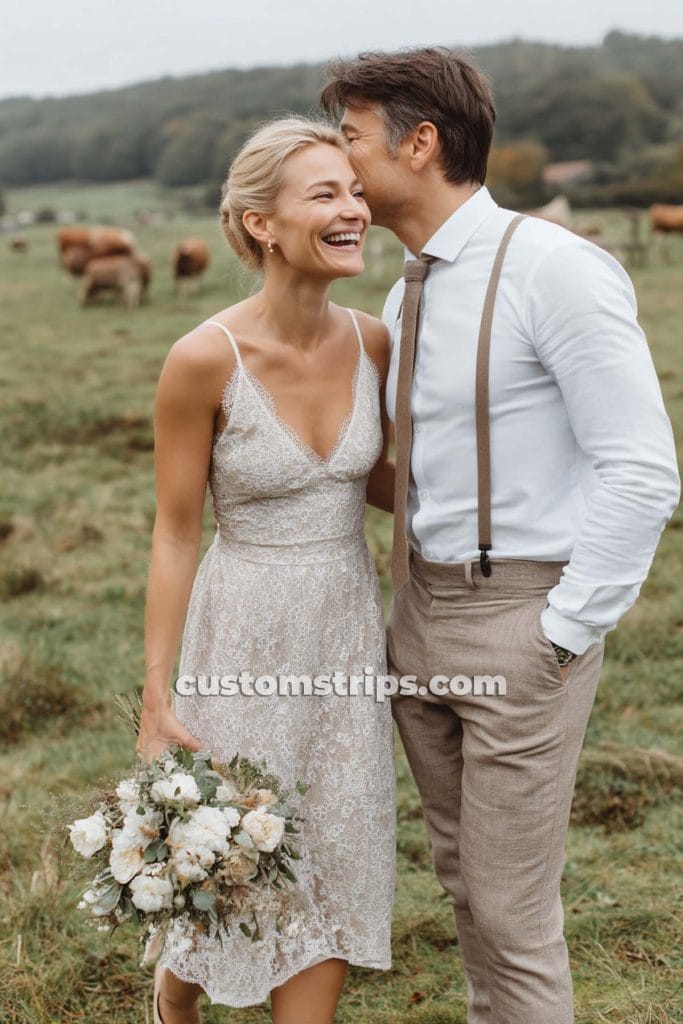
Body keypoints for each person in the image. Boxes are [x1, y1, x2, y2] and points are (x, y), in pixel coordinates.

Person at [321, 47, 681, 1024]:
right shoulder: (403, 295)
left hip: (521, 617)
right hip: (418, 616)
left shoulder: (555, 268)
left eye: (348, 137)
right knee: (465, 891)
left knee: (514, 918)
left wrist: (560, 633)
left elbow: (641, 466)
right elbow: (426, 476)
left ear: (419, 142)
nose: (336, 159)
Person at [135, 116, 396, 1024]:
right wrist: (155, 698)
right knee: (234, 851)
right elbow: (174, 533)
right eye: (325, 194)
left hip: (345, 629)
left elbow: (396, 491)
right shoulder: (204, 359)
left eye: (355, 191)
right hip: (242, 628)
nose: (354, 209)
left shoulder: (375, 343)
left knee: (333, 842)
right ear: (260, 224)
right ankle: (175, 997)